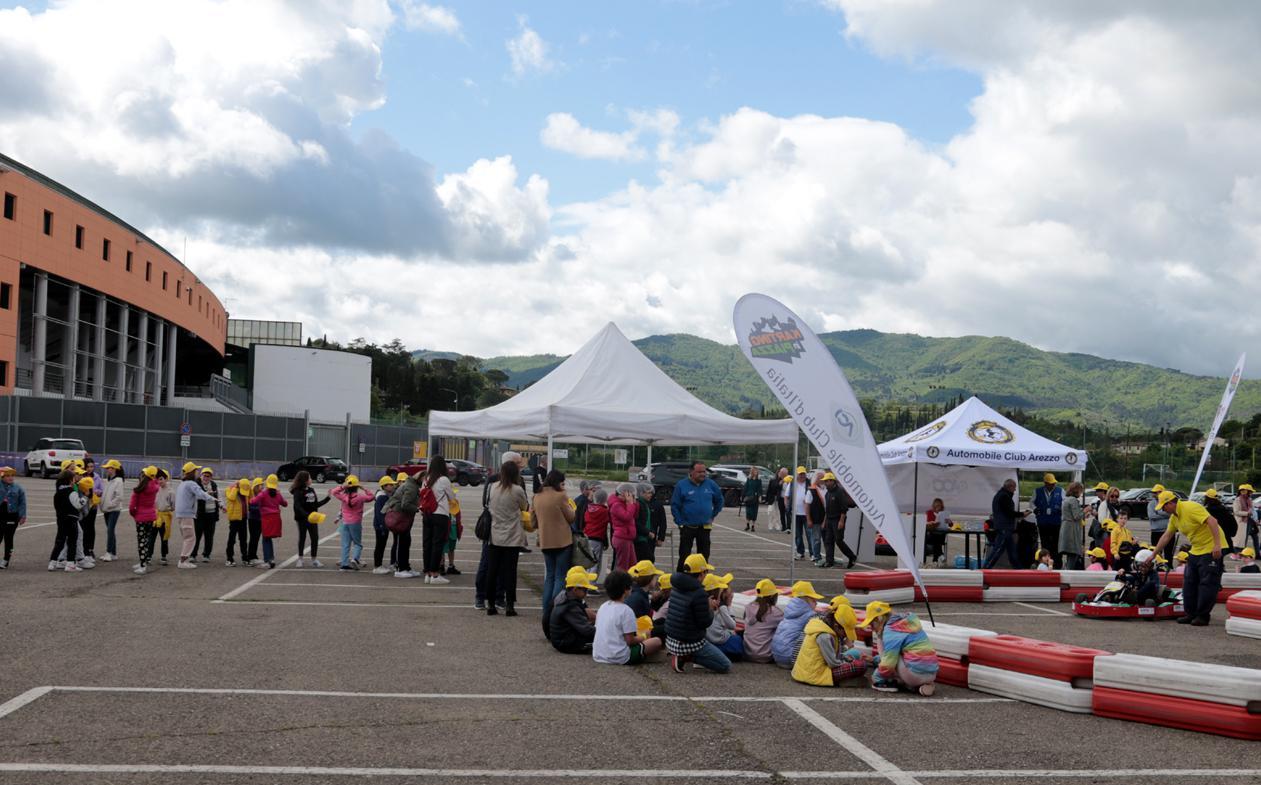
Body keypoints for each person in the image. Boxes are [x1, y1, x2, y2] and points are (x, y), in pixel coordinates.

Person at [1148, 490, 1225, 626]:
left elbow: (1212, 521)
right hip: (1196, 549)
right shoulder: (1174, 517)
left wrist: (1217, 545)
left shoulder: (1190, 508)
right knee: (1189, 581)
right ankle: (1190, 613)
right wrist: (1153, 554)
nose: (1163, 510)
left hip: (1211, 548)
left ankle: (1202, 615)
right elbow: (1167, 536)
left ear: (1171, 503)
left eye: (1164, 507)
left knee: (1207, 582)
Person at [664, 553, 729, 674]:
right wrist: (709, 608)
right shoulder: (699, 593)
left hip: (671, 639)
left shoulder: (677, 585)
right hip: (687, 642)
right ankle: (686, 656)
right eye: (706, 572)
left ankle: (682, 655)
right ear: (701, 573)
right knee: (725, 665)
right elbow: (704, 623)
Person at [475, 452, 525, 608]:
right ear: (510, 465)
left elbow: (486, 502)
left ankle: (496, 597)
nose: (521, 466)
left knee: (494, 566)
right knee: (491, 565)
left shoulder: (494, 484)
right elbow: (524, 506)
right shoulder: (507, 483)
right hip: (503, 531)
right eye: (518, 463)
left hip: (494, 531)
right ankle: (484, 596)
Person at [862, 600, 939, 696]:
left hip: (914, 675)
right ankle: (924, 684)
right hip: (932, 673)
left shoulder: (891, 630)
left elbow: (889, 659)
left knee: (883, 644)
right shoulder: (907, 622)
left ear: (879, 619)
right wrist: (874, 660)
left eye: (872, 624)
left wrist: (877, 676)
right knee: (900, 652)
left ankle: (889, 682)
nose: (872, 628)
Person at [535, 469, 576, 636]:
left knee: (549, 577)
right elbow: (571, 517)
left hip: (545, 541)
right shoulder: (561, 496)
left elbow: (532, 520)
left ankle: (546, 611)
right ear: (558, 482)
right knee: (560, 576)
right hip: (562, 541)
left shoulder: (536, 496)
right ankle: (556, 610)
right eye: (562, 483)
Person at [486, 460, 529, 616]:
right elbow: (525, 507)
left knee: (493, 571)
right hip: (512, 535)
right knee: (510, 572)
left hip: (495, 534)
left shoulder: (493, 488)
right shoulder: (517, 490)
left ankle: (491, 604)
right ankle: (509, 605)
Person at [594, 569, 663, 665]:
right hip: (619, 656)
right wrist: (644, 636)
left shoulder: (603, 606)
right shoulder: (626, 610)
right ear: (626, 589)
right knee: (656, 642)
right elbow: (630, 641)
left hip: (599, 654)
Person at [792, 605, 869, 688]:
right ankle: (842, 681)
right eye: (845, 632)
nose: (846, 636)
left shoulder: (826, 628)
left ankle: (847, 680)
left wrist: (845, 658)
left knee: (853, 658)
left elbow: (833, 654)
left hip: (809, 672)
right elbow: (833, 663)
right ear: (836, 626)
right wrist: (848, 662)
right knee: (861, 665)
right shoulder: (824, 636)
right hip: (814, 675)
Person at [670, 461, 723, 573]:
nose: (703, 474)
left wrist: (713, 514)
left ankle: (702, 580)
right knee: (684, 555)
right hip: (687, 527)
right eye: (699, 472)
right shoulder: (681, 485)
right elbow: (675, 506)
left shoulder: (711, 484)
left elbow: (719, 500)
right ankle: (681, 580)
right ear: (691, 472)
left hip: (705, 527)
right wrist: (680, 522)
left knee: (704, 556)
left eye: (704, 471)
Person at [771, 580, 825, 668]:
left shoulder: (788, 611)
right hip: (791, 658)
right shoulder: (810, 615)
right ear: (806, 600)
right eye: (813, 600)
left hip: (776, 656)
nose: (816, 603)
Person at [419, 457, 456, 585]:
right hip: (440, 514)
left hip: (427, 514)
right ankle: (435, 574)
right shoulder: (444, 479)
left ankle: (428, 574)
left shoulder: (426, 479)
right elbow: (452, 497)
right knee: (437, 544)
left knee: (427, 544)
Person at [549, 566, 598, 654]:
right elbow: (587, 630)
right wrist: (605, 632)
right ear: (575, 590)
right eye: (585, 590)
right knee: (601, 642)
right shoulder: (570, 607)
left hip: (562, 639)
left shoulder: (566, 599)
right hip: (566, 643)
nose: (586, 593)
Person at [174, 462, 214, 569]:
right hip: (187, 514)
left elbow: (197, 495)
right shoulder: (191, 484)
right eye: (195, 470)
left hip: (180, 514)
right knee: (190, 538)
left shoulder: (182, 484)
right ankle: (183, 561)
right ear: (191, 472)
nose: (197, 472)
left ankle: (184, 559)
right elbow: (200, 493)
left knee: (187, 537)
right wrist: (212, 498)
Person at [330, 476, 372, 571]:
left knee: (345, 544)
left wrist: (343, 486)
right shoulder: (360, 497)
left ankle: (344, 564)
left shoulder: (344, 496)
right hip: (355, 522)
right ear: (356, 487)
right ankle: (355, 558)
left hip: (345, 522)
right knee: (357, 543)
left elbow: (334, 492)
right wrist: (364, 488)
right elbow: (371, 497)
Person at [384, 471, 421, 578]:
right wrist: (418, 509)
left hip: (404, 520)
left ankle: (405, 566)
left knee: (405, 542)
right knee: (401, 543)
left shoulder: (409, 487)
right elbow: (405, 504)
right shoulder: (409, 487)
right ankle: (400, 568)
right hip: (400, 520)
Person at [290, 471, 330, 568]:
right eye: (309, 478)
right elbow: (297, 506)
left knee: (315, 538)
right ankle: (300, 559)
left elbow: (315, 504)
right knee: (302, 537)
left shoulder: (311, 490)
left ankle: (314, 559)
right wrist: (306, 515)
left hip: (313, 518)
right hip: (302, 519)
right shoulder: (297, 491)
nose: (311, 480)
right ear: (305, 480)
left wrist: (327, 498)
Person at [49, 469, 85, 572]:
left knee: (60, 541)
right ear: (70, 480)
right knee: (72, 541)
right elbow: (78, 504)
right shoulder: (71, 492)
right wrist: (84, 499)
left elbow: (57, 507)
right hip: (71, 519)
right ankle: (70, 564)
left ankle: (52, 562)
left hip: (61, 519)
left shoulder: (57, 493)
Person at [820, 473, 858, 569]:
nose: (826, 483)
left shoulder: (839, 491)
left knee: (838, 540)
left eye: (827, 481)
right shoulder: (827, 493)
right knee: (828, 540)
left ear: (832, 481)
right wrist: (824, 521)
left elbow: (844, 508)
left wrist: (841, 521)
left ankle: (852, 557)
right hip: (829, 519)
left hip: (838, 519)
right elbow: (827, 509)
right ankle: (829, 561)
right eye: (825, 481)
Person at [741, 579, 784, 664]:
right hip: (766, 655)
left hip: (747, 653)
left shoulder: (748, 607)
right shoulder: (775, 612)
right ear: (772, 596)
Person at [127, 466, 160, 575]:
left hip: (141, 517)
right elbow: (155, 481)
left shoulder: (139, 489)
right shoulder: (155, 486)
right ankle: (144, 562)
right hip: (150, 516)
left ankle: (142, 564)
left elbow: (132, 506)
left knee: (141, 541)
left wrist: (134, 515)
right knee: (146, 540)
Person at [704, 572, 743, 661]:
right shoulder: (722, 607)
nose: (730, 589)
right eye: (728, 586)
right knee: (738, 640)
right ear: (721, 592)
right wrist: (729, 605)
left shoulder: (701, 603)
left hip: (706, 640)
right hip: (719, 640)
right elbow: (732, 626)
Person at [251, 474, 288, 569]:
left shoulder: (264, 493)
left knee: (266, 539)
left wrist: (252, 498)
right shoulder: (277, 493)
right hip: (276, 518)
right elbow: (285, 504)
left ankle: (267, 560)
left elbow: (253, 501)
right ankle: (271, 558)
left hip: (266, 518)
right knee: (269, 538)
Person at [983, 479, 1022, 569]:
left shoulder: (1001, 495)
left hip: (1005, 527)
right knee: (998, 549)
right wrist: (1022, 514)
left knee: (1012, 552)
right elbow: (1009, 513)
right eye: (1014, 487)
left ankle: (1018, 570)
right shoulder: (1004, 497)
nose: (1015, 490)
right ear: (1010, 487)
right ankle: (985, 568)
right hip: (1004, 527)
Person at [1033, 473, 1063, 569]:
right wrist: (1035, 509)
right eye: (1050, 483)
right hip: (1043, 522)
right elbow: (1031, 502)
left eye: (1053, 483)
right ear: (1045, 483)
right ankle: (1044, 564)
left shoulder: (1060, 490)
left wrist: (1061, 509)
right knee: (1045, 543)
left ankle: (1057, 564)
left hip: (1056, 522)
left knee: (1056, 544)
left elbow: (1065, 502)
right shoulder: (1037, 491)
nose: (1052, 485)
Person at [97, 459, 125, 562]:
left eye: (109, 468)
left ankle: (109, 552)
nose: (107, 470)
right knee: (110, 531)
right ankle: (113, 553)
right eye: (107, 468)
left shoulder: (118, 481)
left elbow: (119, 497)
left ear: (114, 469)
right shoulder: (108, 480)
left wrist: (109, 504)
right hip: (107, 509)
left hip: (114, 509)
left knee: (110, 530)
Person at [0, 466, 27, 570]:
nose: (10, 478)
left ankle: (6, 560)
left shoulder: (18, 488)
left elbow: (22, 503)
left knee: (9, 538)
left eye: (12, 475)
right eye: (7, 476)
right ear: (2, 477)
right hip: (0, 515)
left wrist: (23, 516)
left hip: (12, 516)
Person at [610, 482, 640, 572]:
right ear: (624, 494)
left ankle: (629, 584)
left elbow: (635, 515)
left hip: (628, 537)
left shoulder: (624, 504)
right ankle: (620, 584)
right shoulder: (616, 505)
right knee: (623, 565)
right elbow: (627, 517)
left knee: (632, 565)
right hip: (621, 538)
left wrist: (634, 504)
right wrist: (630, 504)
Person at [193, 467, 221, 563]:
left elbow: (219, 496)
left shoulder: (213, 485)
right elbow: (194, 496)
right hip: (200, 514)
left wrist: (221, 505)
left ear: (211, 477)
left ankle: (206, 554)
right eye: (204, 475)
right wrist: (205, 493)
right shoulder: (196, 484)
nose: (206, 478)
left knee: (209, 536)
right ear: (201, 476)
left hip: (211, 514)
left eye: (208, 476)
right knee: (197, 535)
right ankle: (193, 555)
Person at [583, 488, 611, 579]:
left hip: (587, 537)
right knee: (595, 562)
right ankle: (591, 583)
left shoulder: (588, 509)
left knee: (587, 561)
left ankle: (585, 581)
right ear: (605, 499)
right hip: (597, 538)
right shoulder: (604, 511)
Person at [372, 476, 397, 574]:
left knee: (382, 544)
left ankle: (379, 565)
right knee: (380, 545)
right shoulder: (382, 497)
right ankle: (377, 566)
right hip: (380, 525)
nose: (392, 486)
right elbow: (379, 513)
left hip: (383, 525)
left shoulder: (386, 495)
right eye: (390, 484)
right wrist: (383, 526)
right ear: (384, 486)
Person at [1058, 482, 1087, 570]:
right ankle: (1068, 573)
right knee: (1073, 553)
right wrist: (1086, 510)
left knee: (1070, 555)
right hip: (1071, 530)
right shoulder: (1073, 500)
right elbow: (1077, 516)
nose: (1081, 493)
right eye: (1080, 491)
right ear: (1076, 490)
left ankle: (1066, 570)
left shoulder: (1067, 499)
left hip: (1066, 527)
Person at [223, 478, 250, 566]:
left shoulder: (245, 492)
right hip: (234, 519)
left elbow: (251, 496)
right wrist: (235, 487)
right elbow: (231, 498)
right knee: (232, 539)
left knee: (243, 539)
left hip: (243, 518)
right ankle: (229, 558)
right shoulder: (230, 489)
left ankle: (245, 557)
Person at [1203, 489, 1237, 557]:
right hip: (1225, 539)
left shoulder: (1207, 511)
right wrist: (1231, 533)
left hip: (1212, 540)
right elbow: (1233, 522)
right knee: (1220, 561)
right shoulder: (1224, 509)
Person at [787, 467, 811, 559]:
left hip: (807, 514)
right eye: (800, 474)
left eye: (803, 474)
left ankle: (813, 554)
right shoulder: (792, 483)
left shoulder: (809, 483)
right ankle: (800, 552)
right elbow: (786, 496)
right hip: (795, 513)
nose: (802, 476)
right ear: (797, 474)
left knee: (809, 535)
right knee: (798, 535)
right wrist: (787, 507)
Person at [634, 483, 659, 563]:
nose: (650, 495)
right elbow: (636, 522)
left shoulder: (645, 504)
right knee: (649, 559)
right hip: (640, 538)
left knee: (646, 559)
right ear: (641, 493)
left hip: (645, 537)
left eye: (651, 493)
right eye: (648, 493)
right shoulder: (638, 505)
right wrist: (647, 532)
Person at [1147, 483, 1173, 561]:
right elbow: (1151, 516)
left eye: (1156, 492)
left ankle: (1169, 567)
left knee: (1169, 552)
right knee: (1156, 553)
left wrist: (1158, 512)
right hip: (1156, 532)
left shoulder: (1169, 503)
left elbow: (1171, 514)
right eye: (1153, 492)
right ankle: (1158, 568)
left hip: (1168, 531)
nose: (1154, 494)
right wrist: (1165, 515)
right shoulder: (1151, 504)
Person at [155, 469, 175, 566]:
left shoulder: (171, 491)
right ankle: (149, 555)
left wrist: (168, 510)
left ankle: (164, 556)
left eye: (161, 479)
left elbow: (173, 505)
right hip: (155, 516)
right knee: (152, 537)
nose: (159, 481)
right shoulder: (156, 489)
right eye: (158, 479)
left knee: (164, 537)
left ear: (166, 479)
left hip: (165, 516)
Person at [1233, 484, 1258, 557]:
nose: (1251, 493)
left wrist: (1255, 519)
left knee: (1255, 536)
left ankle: (1257, 554)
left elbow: (1252, 510)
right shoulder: (1237, 500)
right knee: (1241, 540)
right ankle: (1238, 554)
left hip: (1250, 521)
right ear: (1245, 491)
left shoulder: (1249, 500)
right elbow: (1236, 512)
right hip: (1242, 522)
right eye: (1250, 491)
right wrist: (1247, 513)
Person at [924, 498, 950, 566]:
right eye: (937, 505)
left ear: (942, 506)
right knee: (935, 538)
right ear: (934, 506)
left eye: (939, 506)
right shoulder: (929, 512)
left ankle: (935, 561)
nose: (938, 507)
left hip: (941, 534)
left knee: (937, 539)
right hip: (931, 534)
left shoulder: (943, 514)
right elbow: (928, 522)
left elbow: (950, 524)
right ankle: (940, 555)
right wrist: (933, 523)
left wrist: (949, 522)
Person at [245, 477, 264, 567]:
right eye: (261, 485)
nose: (262, 487)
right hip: (253, 519)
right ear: (256, 486)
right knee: (254, 537)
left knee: (256, 538)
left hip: (260, 519)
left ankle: (254, 555)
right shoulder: (252, 496)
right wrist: (262, 509)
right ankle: (250, 557)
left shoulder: (261, 495)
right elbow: (251, 508)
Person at [743, 467, 763, 532]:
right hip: (748, 497)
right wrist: (743, 496)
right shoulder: (749, 479)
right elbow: (746, 488)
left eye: (756, 471)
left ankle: (753, 526)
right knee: (748, 512)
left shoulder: (759, 480)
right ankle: (747, 525)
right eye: (754, 471)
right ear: (752, 472)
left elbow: (760, 489)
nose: (756, 472)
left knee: (754, 512)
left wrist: (760, 496)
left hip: (755, 498)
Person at [767, 468, 787, 532]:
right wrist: (767, 499)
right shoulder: (772, 480)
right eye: (779, 473)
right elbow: (771, 489)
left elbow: (782, 489)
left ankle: (777, 524)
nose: (780, 475)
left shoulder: (783, 481)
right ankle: (770, 524)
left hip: (779, 498)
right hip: (772, 498)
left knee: (777, 512)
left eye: (781, 474)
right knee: (770, 511)